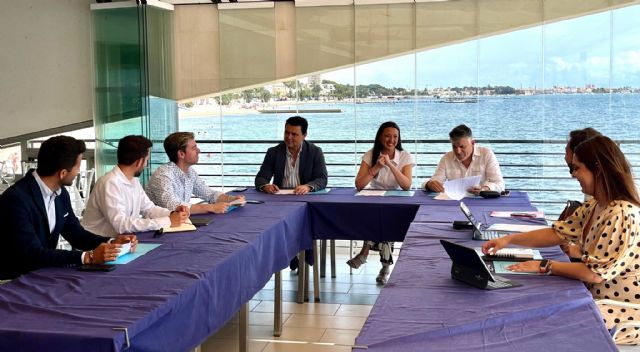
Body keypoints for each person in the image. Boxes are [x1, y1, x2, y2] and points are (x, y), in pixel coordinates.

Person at [482, 135, 640, 345]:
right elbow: (557, 233)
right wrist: (508, 240)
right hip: (592, 296)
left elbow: (594, 274)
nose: (573, 175)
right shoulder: (597, 205)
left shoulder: (622, 214)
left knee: (541, 321)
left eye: (576, 168)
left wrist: (545, 265)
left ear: (599, 169)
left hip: (621, 310)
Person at [0, 136, 137, 280]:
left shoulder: (60, 193)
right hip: (12, 281)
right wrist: (88, 257)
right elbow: (32, 253)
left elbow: (75, 234)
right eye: (77, 167)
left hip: (41, 274)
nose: (78, 171)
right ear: (63, 173)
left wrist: (112, 242)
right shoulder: (16, 200)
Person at [82, 135, 189, 237]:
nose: (146, 165)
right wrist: (168, 221)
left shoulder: (133, 181)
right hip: (97, 246)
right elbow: (121, 225)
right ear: (139, 162)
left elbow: (149, 209)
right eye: (146, 160)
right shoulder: (110, 183)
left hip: (119, 242)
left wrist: (173, 213)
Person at [348, 121, 415, 285]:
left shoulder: (405, 156)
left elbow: (406, 185)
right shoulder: (371, 154)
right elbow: (359, 184)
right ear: (380, 137)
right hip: (374, 197)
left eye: (395, 137)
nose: (391, 140)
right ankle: (385, 267)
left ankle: (365, 252)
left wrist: (391, 165)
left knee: (386, 216)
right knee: (379, 215)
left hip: (396, 198)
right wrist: (376, 167)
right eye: (387, 136)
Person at [146, 132, 244, 214]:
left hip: (177, 224)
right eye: (194, 148)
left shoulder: (189, 172)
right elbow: (172, 205)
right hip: (158, 230)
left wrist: (231, 199)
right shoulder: (163, 175)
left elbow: (209, 194)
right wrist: (212, 207)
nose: (199, 151)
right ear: (181, 154)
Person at [254, 115, 328, 195]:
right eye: (287, 132)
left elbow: (322, 179)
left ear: (304, 135)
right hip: (279, 197)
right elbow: (261, 178)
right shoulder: (273, 152)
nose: (289, 137)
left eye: (294, 134)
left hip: (305, 196)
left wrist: (308, 187)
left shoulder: (315, 152)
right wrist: (266, 186)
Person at [423, 124, 504, 194]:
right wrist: (429, 185)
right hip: (454, 203)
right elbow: (435, 181)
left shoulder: (486, 154)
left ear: (472, 143)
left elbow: (500, 184)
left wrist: (485, 189)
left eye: (462, 147)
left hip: (481, 201)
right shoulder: (446, 158)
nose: (458, 151)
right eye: (454, 147)